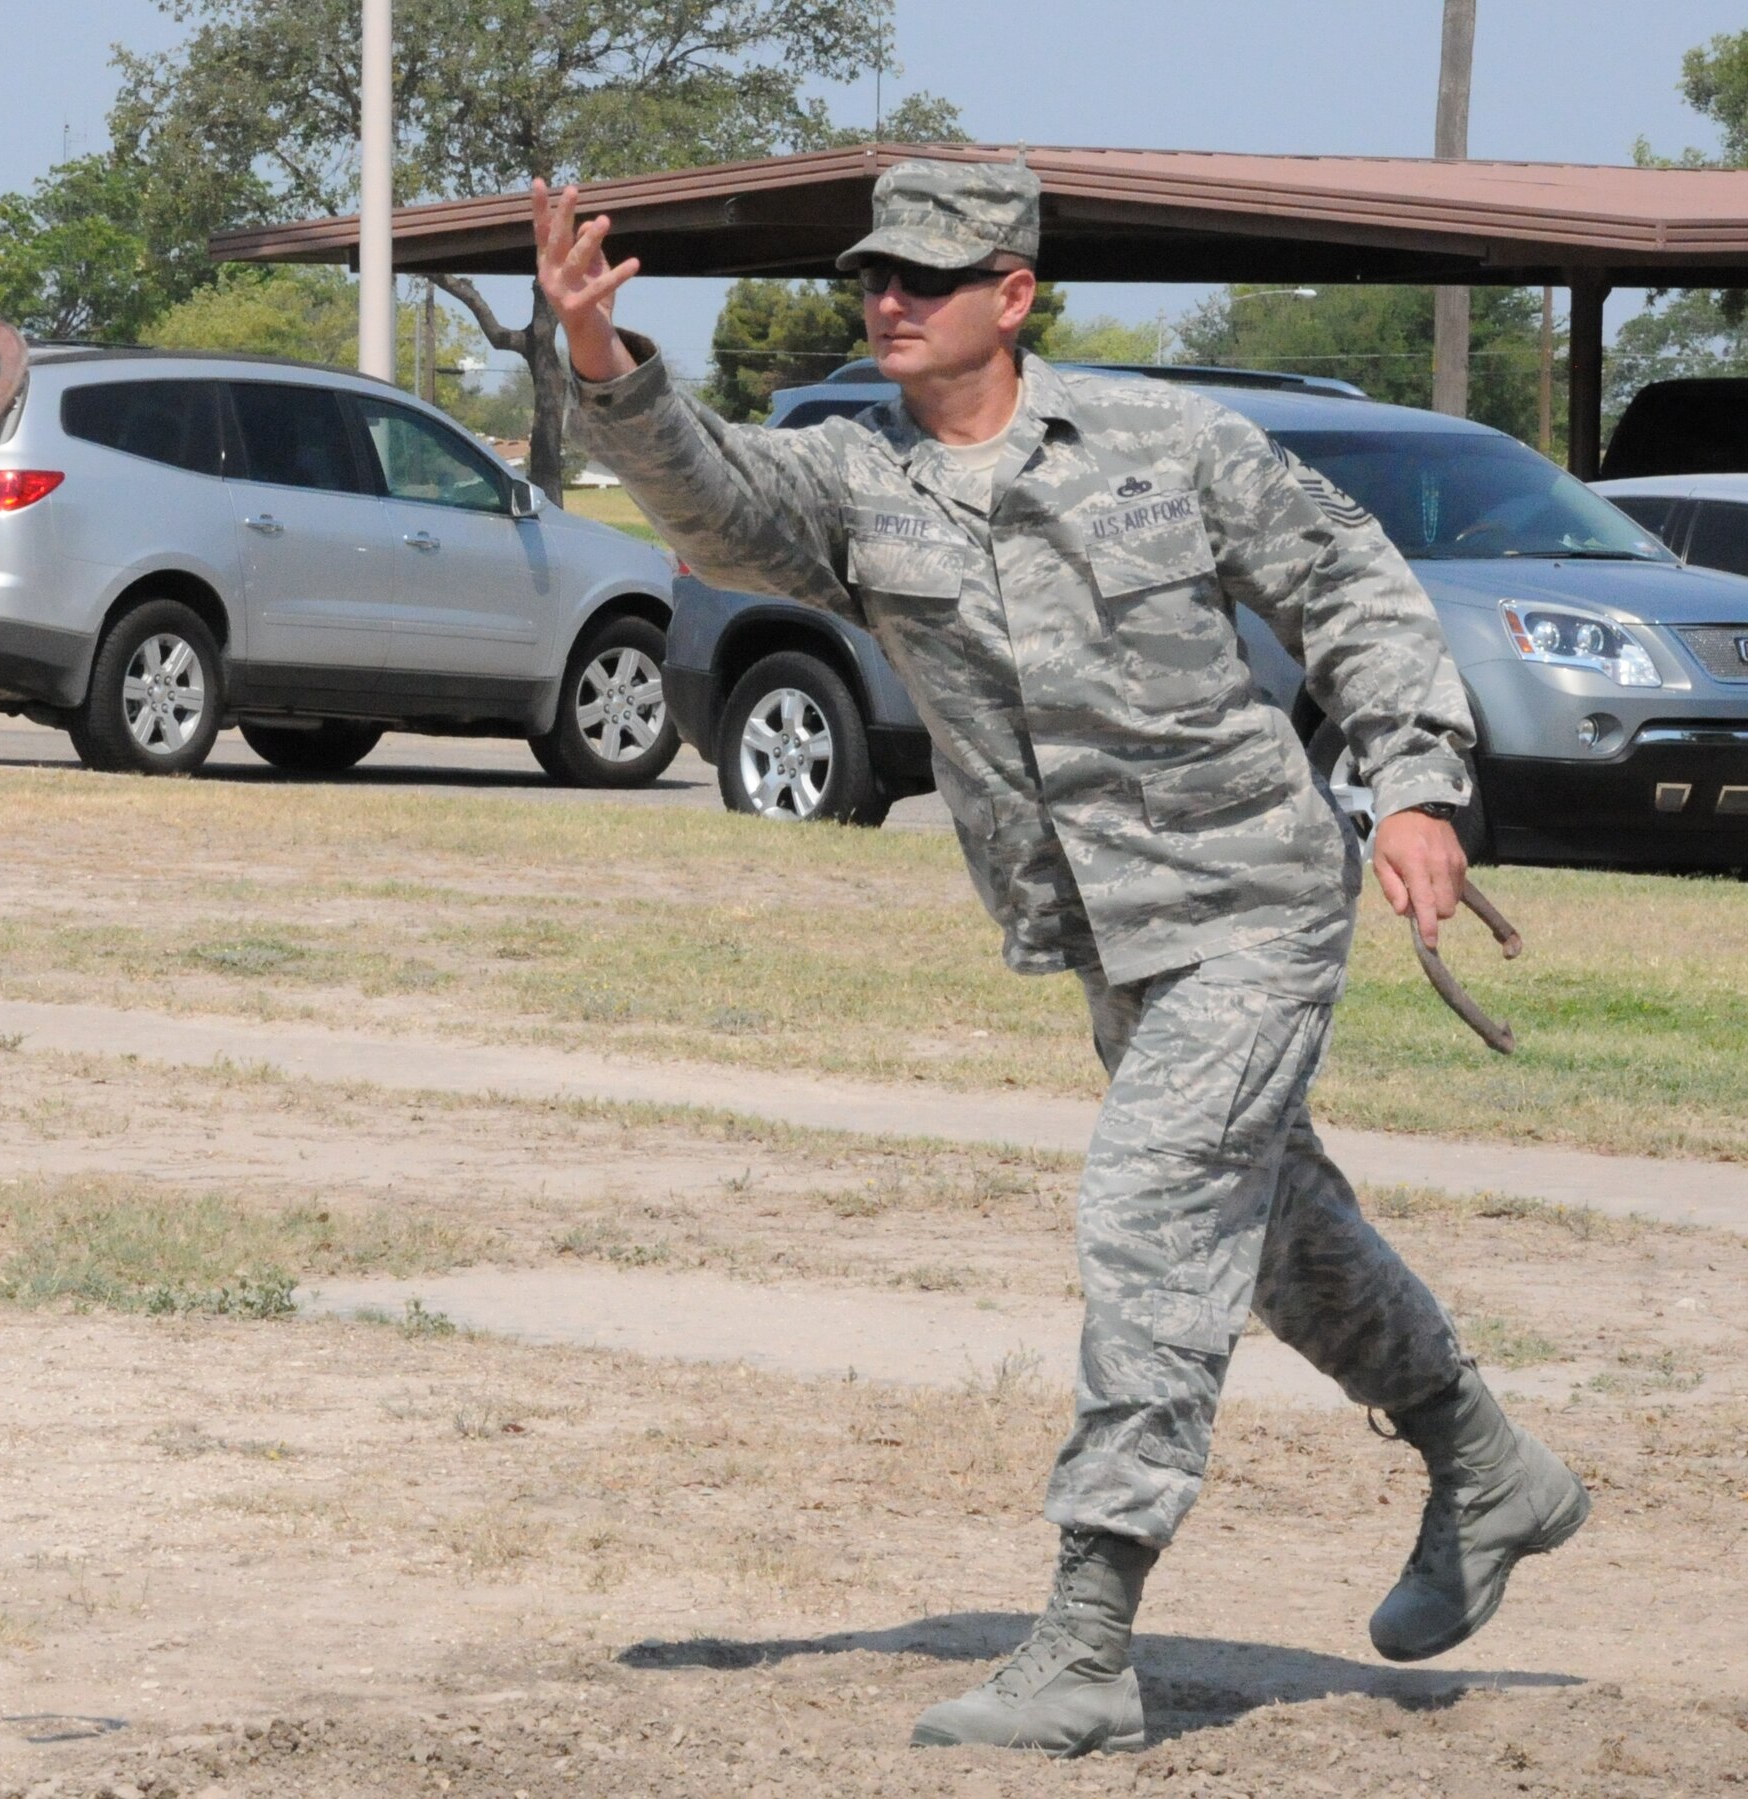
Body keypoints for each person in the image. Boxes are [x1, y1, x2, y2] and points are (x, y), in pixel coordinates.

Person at [532, 156, 1590, 1758]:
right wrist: (602, 361)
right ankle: (1488, 1462)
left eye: (927, 280)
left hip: (1252, 898)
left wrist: (1421, 785)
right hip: (1103, 928)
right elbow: (716, 508)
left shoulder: (1171, 446)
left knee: (1152, 1205)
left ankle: (1089, 1637)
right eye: (874, 276)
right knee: (1277, 1235)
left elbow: (1352, 590)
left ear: (1013, 295)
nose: (889, 300)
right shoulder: (859, 481)